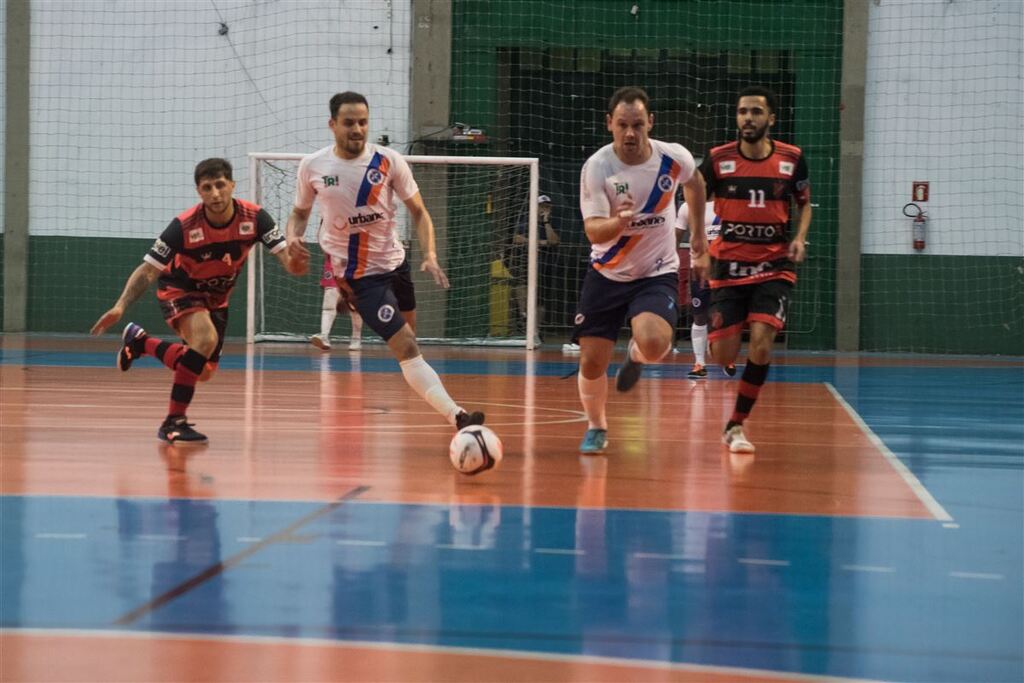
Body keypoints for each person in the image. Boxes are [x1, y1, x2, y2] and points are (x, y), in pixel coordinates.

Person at [285, 91, 484, 430]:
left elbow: (419, 213)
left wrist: (430, 254)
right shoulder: (314, 166)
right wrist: (293, 236)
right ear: (332, 125)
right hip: (358, 276)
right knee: (405, 345)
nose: (357, 129)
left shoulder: (389, 161)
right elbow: (299, 213)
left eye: (363, 122)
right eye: (349, 123)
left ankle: (422, 383)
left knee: (411, 343)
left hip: (397, 264)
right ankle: (458, 416)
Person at [90, 158, 305, 443]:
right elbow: (148, 270)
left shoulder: (255, 218)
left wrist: (297, 263)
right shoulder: (183, 226)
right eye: (207, 188)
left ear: (232, 185)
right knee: (205, 340)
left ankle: (141, 343)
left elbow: (287, 261)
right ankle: (173, 422)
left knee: (202, 371)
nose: (215, 194)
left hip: (217, 298)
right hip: (179, 288)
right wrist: (120, 305)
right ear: (198, 191)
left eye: (220, 185)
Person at [573, 86, 708, 454]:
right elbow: (593, 230)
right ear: (609, 125)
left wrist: (699, 239)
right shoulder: (598, 167)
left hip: (656, 272)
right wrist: (619, 223)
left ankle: (635, 355)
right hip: (607, 273)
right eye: (622, 125)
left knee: (653, 343)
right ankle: (597, 426)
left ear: (651, 122)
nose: (630, 133)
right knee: (591, 361)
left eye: (637, 125)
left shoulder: (671, 158)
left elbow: (695, 183)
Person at [697, 86, 812, 453]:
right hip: (728, 266)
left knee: (762, 344)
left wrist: (800, 237)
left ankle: (736, 424)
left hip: (773, 266)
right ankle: (732, 399)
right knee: (724, 357)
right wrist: (699, 246)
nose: (748, 117)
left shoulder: (792, 159)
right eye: (743, 111)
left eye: (756, 112)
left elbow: (805, 203)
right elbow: (694, 193)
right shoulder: (717, 159)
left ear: (770, 119)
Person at [675, 197, 734, 379]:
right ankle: (699, 363)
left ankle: (727, 358)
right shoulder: (688, 206)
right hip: (699, 270)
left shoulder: (729, 203)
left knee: (726, 315)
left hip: (725, 269)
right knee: (699, 315)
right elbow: (675, 236)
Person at [506, 194, 561, 332]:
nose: (544, 209)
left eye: (547, 207)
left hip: (544, 266)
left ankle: (536, 330)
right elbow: (517, 238)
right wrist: (536, 242)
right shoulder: (526, 221)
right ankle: (524, 316)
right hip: (525, 263)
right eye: (542, 206)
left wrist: (546, 222)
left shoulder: (551, 223)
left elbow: (554, 241)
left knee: (540, 300)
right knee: (521, 286)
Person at [310, 253, 364, 351]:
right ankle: (324, 336)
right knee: (329, 301)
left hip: (355, 262)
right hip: (334, 261)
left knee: (354, 304)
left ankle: (356, 338)